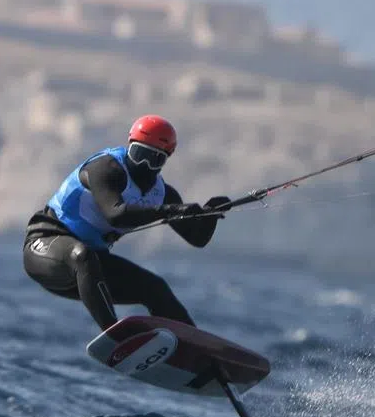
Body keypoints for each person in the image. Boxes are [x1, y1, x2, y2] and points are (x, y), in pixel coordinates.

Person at [22, 114, 231, 331]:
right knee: (83, 255)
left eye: (154, 159)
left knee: (155, 288)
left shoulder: (162, 194)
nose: (144, 165)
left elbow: (197, 239)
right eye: (139, 154)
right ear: (129, 145)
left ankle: (193, 343)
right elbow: (116, 214)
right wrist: (171, 210)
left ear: (165, 160)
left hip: (88, 271)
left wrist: (211, 215)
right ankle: (114, 334)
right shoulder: (106, 168)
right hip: (46, 248)